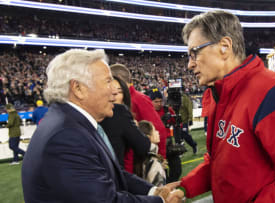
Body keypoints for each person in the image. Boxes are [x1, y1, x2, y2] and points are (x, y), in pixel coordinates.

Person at [175, 10, 275, 202]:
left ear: (224, 47)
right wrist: (184, 188)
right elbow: (220, 164)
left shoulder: (274, 92)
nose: (189, 65)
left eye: (194, 53)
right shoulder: (219, 94)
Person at [21, 49, 183, 203]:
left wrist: (153, 191)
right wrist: (160, 201)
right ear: (78, 88)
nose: (115, 91)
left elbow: (110, 175)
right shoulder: (66, 136)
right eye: (107, 82)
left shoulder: (72, 123)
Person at [110, 64, 168, 173]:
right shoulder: (124, 100)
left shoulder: (138, 99)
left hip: (137, 165)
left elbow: (158, 129)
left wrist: (159, 160)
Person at [100, 76, 154, 169]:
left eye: (120, 91)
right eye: (111, 89)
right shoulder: (120, 112)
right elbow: (143, 147)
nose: (115, 94)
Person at [149, 89, 182, 183]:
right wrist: (161, 120)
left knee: (177, 168)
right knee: (161, 171)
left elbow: (177, 123)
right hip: (156, 144)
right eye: (156, 101)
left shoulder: (167, 109)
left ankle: (171, 184)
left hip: (168, 142)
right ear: (150, 101)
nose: (159, 104)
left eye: (160, 101)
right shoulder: (148, 111)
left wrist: (176, 118)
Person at [134, 120, 167, 187]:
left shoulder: (140, 156)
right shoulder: (153, 161)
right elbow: (158, 190)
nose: (158, 132)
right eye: (154, 130)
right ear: (148, 137)